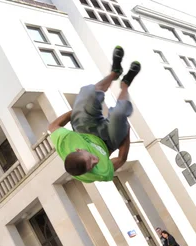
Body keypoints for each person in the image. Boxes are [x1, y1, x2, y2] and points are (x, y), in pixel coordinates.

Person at [48, 46, 141, 183]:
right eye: (92, 166)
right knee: (119, 114)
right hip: (108, 141)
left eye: (90, 159)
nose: (95, 161)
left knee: (88, 94)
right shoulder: (100, 173)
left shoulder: (64, 142)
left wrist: (77, 111)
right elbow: (121, 159)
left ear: (79, 149)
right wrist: (126, 132)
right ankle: (125, 84)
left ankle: (114, 73)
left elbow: (52, 126)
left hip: (84, 129)